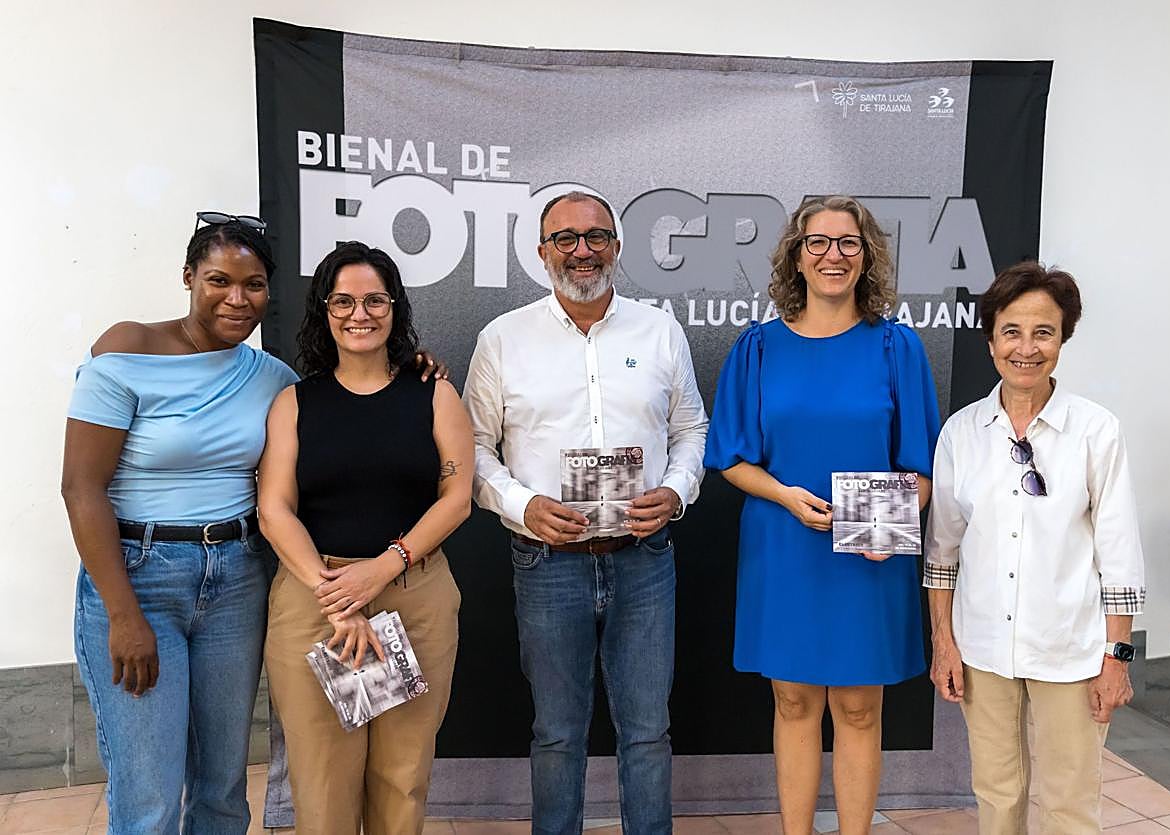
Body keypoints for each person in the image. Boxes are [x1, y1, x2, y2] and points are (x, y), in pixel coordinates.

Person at [462, 191, 709, 834]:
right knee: (556, 734)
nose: (581, 250)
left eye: (596, 236)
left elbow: (692, 431)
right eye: (565, 238)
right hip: (546, 562)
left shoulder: (659, 330)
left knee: (648, 732)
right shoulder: (503, 339)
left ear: (617, 249)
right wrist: (523, 505)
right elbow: (473, 450)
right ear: (542, 253)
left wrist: (677, 491)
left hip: (644, 559)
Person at [704, 195, 941, 835]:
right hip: (785, 547)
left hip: (870, 553)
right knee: (793, 699)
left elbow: (920, 470)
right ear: (795, 255)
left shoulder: (897, 348)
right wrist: (783, 494)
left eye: (848, 243)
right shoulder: (758, 349)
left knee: (861, 708)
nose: (832, 255)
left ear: (866, 258)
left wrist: (888, 525)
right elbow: (728, 456)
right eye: (818, 242)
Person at [61, 212, 298, 833]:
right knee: (151, 800)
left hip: (237, 580)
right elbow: (81, 488)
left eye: (253, 285)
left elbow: (349, 401)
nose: (237, 299)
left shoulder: (271, 377)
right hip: (139, 577)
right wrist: (122, 614)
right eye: (219, 280)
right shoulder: (128, 348)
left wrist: (416, 367)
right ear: (189, 277)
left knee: (222, 788)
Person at [258, 241, 472, 835]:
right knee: (322, 777)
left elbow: (456, 497)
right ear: (324, 312)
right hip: (314, 596)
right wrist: (337, 595)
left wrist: (383, 568)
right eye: (344, 301)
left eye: (374, 300)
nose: (360, 314)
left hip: (414, 593)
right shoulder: (294, 403)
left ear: (394, 307)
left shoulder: (434, 393)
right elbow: (274, 509)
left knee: (402, 775)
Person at [924, 263, 1145, 834]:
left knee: (1070, 803)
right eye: (1012, 331)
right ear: (992, 338)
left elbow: (1119, 553)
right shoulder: (961, 433)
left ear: (1063, 339)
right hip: (984, 650)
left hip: (1071, 649)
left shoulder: (1096, 431)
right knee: (996, 796)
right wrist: (944, 642)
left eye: (1043, 332)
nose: (1027, 348)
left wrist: (1116, 656)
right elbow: (942, 553)